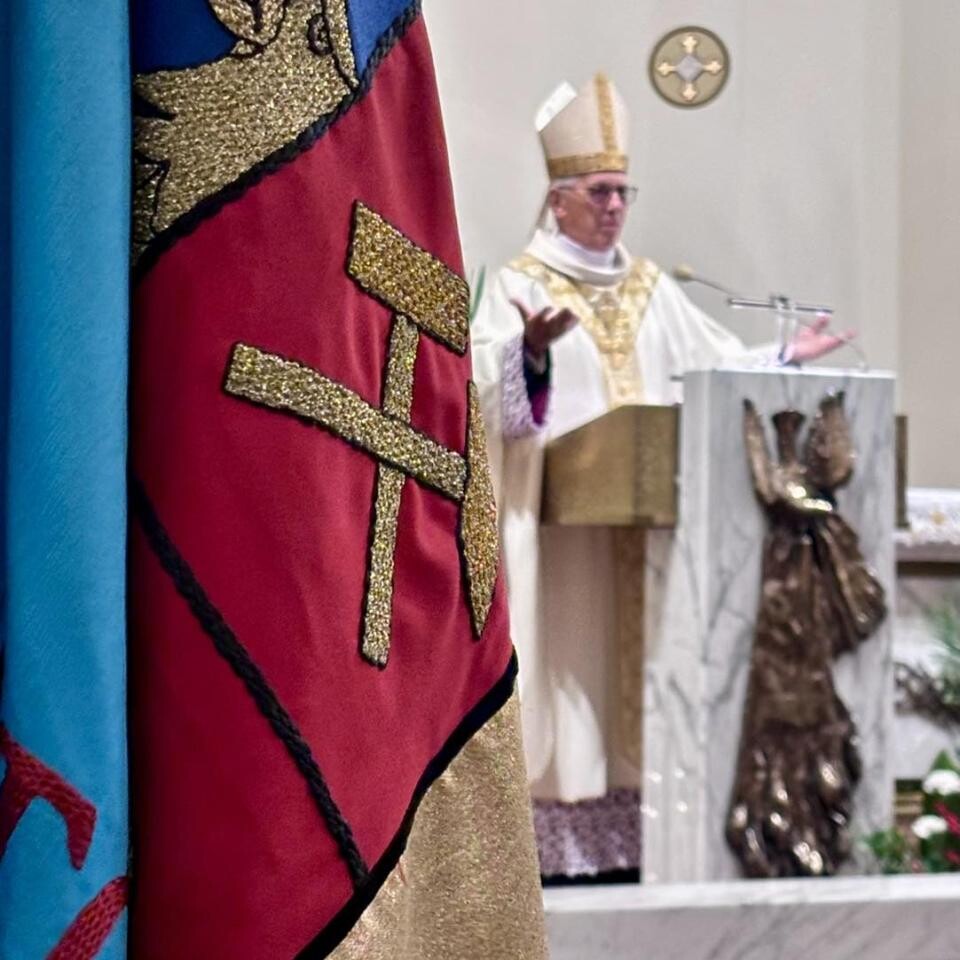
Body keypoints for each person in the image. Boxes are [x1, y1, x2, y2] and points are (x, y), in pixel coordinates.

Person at [471, 72, 851, 882]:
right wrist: (529, 354)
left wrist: (785, 356)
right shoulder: (519, 286)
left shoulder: (652, 291)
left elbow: (714, 370)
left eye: (623, 192)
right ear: (559, 200)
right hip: (564, 540)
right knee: (571, 675)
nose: (615, 206)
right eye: (599, 192)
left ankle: (652, 837)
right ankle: (566, 848)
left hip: (652, 529)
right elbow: (486, 402)